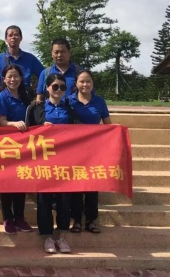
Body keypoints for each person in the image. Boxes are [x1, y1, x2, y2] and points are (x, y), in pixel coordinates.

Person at [26, 73, 79, 254]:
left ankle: (62, 236)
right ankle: (47, 237)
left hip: (65, 161)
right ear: (47, 88)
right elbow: (27, 134)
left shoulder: (70, 110)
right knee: (44, 201)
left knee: (65, 200)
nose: (58, 90)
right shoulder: (35, 108)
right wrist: (41, 129)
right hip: (43, 161)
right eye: (55, 86)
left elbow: (79, 132)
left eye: (62, 87)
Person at [68, 69, 111, 235]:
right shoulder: (68, 101)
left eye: (88, 81)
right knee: (76, 186)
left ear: (92, 84)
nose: (85, 84)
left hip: (94, 150)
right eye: (82, 81)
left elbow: (108, 125)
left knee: (93, 185)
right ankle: (76, 220)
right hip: (74, 149)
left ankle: (91, 220)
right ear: (76, 83)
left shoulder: (99, 102)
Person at [0, 65, 34, 235]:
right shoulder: (1, 98)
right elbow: (1, 121)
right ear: (4, 79)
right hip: (7, 144)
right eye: (9, 76)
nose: (13, 79)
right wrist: (13, 123)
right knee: (7, 182)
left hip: (24, 144)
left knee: (21, 180)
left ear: (21, 78)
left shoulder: (26, 95)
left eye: (16, 76)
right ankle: (7, 218)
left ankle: (19, 217)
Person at [0, 25, 44, 91]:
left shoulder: (30, 58)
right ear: (6, 39)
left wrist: (35, 88)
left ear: (21, 38)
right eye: (10, 35)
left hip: (24, 94)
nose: (13, 37)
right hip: (5, 94)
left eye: (16, 35)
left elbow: (44, 75)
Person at [36, 38, 81, 103]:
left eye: (62, 52)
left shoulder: (79, 72)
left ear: (69, 52)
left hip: (74, 109)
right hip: (51, 109)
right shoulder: (45, 73)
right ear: (52, 53)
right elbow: (39, 98)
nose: (59, 55)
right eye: (56, 52)